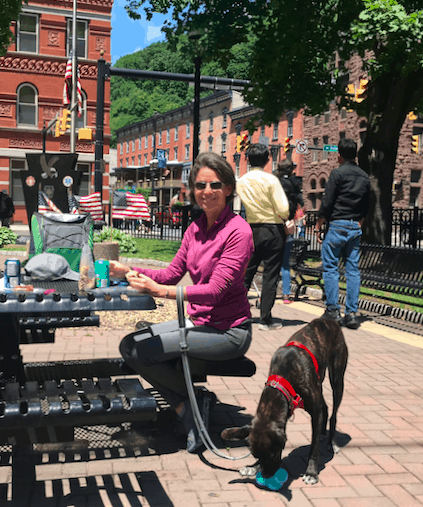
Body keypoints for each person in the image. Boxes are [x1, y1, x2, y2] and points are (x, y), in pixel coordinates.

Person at [109, 152, 254, 454]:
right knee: (129, 345)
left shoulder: (238, 232)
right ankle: (190, 404)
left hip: (228, 332)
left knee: (142, 350)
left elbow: (214, 291)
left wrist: (160, 292)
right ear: (192, 190)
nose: (207, 191)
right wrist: (129, 271)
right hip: (198, 324)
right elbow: (170, 273)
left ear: (228, 188)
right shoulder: (195, 228)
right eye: (200, 185)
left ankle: (188, 410)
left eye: (215, 184)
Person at [314, 138, 371, 329]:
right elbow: (367, 204)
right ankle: (352, 314)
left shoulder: (337, 174)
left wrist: (319, 223)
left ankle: (333, 310)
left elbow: (328, 200)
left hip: (337, 224)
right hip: (355, 227)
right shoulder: (364, 176)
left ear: (339, 154)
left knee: (331, 268)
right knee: (353, 269)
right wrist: (359, 222)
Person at [236, 143, 290, 331]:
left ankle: (237, 314)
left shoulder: (241, 181)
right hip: (273, 229)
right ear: (267, 160)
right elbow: (283, 208)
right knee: (270, 274)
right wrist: (285, 218)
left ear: (248, 160)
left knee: (246, 273)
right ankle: (265, 318)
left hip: (251, 229)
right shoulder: (271, 180)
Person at [276, 159, 305, 304]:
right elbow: (301, 199)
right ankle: (286, 295)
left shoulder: (275, 182)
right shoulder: (295, 184)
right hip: (290, 224)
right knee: (285, 263)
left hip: (275, 225)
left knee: (272, 263)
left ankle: (269, 293)